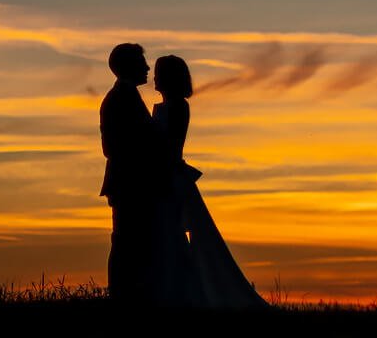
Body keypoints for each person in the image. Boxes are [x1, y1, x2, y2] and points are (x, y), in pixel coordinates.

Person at [150, 55, 265, 309]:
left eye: (159, 72)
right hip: (166, 177)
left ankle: (188, 292)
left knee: (175, 235)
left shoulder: (178, 106)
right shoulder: (163, 107)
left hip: (171, 179)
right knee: (170, 237)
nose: (154, 77)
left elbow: (168, 146)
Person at [99, 43, 174, 303]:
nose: (146, 68)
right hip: (129, 182)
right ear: (128, 66)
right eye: (141, 63)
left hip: (130, 181)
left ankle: (128, 294)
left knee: (131, 241)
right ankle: (123, 296)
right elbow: (113, 146)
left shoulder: (125, 96)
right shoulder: (122, 98)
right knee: (126, 242)